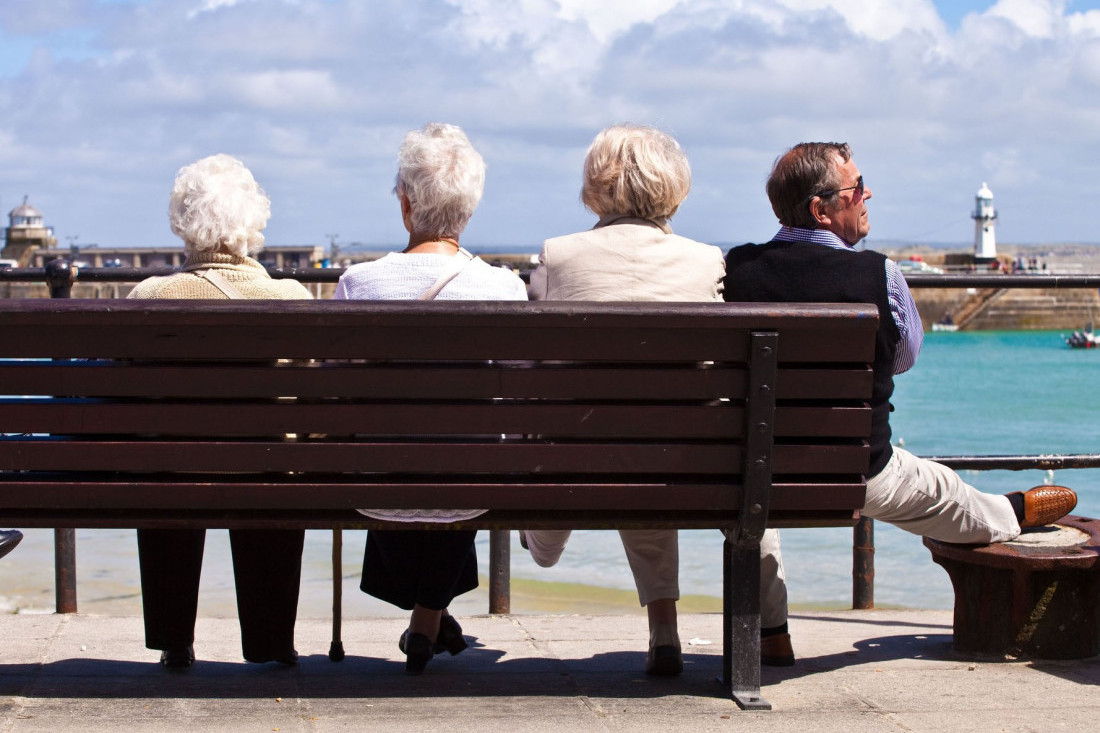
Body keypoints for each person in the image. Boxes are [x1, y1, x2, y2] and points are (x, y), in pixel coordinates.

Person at [723, 142, 1078, 658]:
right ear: (822, 210)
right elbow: (904, 357)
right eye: (857, 188)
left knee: (756, 519)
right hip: (861, 475)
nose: (868, 194)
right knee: (948, 493)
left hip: (757, 472)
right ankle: (1012, 511)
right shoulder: (878, 274)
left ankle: (770, 635)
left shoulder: (736, 269)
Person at [522, 123, 792, 675]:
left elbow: (536, 365)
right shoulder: (704, 261)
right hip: (690, 465)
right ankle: (770, 632)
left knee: (616, 437)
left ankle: (551, 548)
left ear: (594, 184)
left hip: (583, 461)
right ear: (676, 187)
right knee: (697, 457)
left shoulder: (559, 255)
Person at [334, 123, 527, 675]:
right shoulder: (503, 288)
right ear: (469, 210)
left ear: (405, 204)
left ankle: (426, 621)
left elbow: (336, 391)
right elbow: (519, 391)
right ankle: (428, 620)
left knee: (404, 448)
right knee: (461, 450)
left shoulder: (360, 283)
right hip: (471, 485)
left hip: (378, 484)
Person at [128, 154, 312, 669]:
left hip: (172, 476)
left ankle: (173, 639)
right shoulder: (290, 298)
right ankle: (271, 641)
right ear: (253, 223)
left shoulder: (149, 297)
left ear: (183, 224)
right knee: (275, 462)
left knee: (167, 459)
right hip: (265, 474)